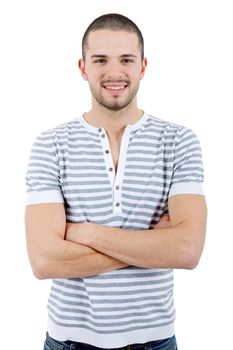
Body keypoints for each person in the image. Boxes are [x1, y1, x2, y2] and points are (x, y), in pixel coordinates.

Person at [25, 13, 207, 350]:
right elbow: (44, 260)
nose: (114, 72)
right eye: (100, 60)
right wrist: (153, 245)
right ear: (83, 68)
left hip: (156, 341)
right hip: (68, 342)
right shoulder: (50, 145)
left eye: (126, 59)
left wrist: (85, 233)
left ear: (143, 66)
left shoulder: (179, 141)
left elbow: (187, 249)